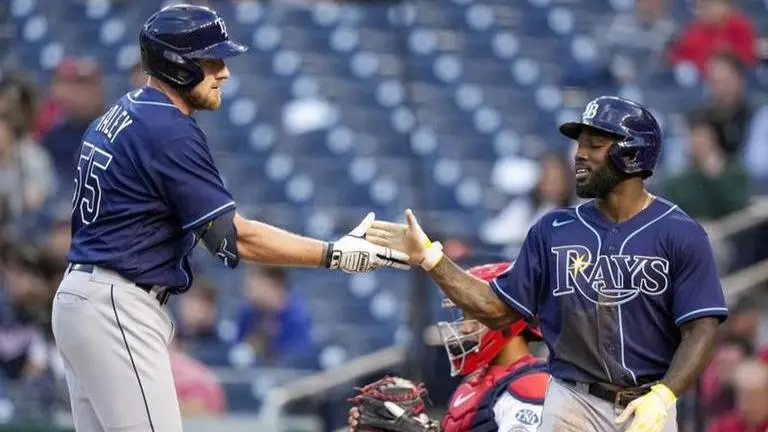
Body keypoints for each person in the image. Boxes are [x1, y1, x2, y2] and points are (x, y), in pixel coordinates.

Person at [49, 5, 409, 432]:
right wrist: (333, 253)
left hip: (81, 297)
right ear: (178, 65)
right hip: (117, 304)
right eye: (212, 61)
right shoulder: (167, 127)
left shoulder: (122, 113)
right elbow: (232, 238)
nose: (224, 73)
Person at [367, 96, 729, 432]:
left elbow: (701, 329)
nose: (579, 155)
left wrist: (665, 395)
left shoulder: (680, 232)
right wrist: (430, 257)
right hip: (570, 399)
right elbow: (495, 309)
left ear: (631, 154)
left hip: (648, 402)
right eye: (579, 144)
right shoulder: (552, 230)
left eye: (594, 145)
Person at [348, 262, 550, 432]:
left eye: (475, 315)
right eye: (464, 316)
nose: (465, 327)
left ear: (508, 318)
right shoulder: (476, 385)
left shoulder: (532, 385)